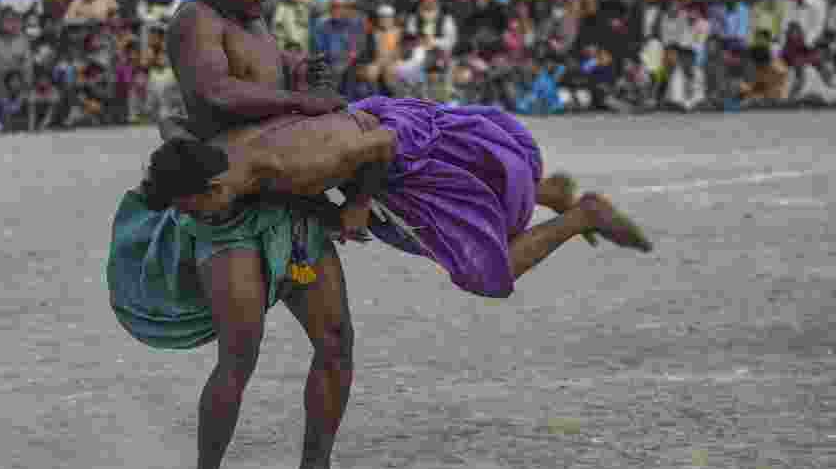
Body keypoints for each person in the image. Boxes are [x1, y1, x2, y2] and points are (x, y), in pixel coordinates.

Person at [108, 0, 364, 469]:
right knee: (241, 349)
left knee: (335, 338)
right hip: (228, 206)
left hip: (291, 205)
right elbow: (219, 94)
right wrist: (301, 98)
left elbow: (269, 84)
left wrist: (303, 75)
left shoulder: (256, 25)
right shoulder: (195, 21)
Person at [138, 98, 650, 302]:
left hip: (394, 160)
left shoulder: (294, 164)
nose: (193, 219)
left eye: (189, 210)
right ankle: (549, 192)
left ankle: (583, 214)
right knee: (487, 197)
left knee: (487, 273)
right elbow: (171, 120)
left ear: (210, 190)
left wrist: (357, 204)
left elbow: (381, 145)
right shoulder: (209, 153)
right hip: (364, 150)